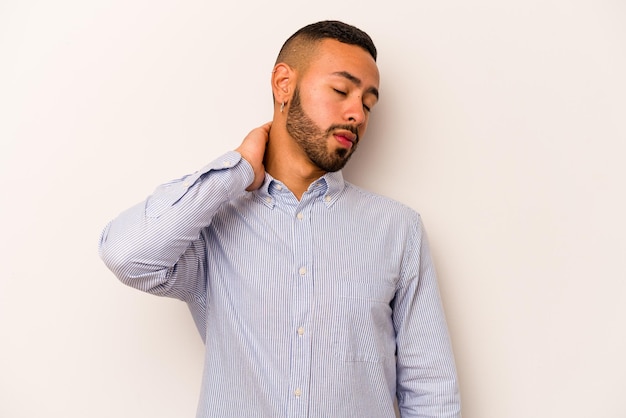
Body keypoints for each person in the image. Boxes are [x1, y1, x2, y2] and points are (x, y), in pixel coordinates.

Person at [99, 20, 461, 418]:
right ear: (283, 84)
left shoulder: (397, 229)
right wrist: (235, 170)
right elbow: (126, 254)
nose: (357, 114)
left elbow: (430, 389)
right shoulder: (212, 224)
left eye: (368, 103)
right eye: (341, 91)